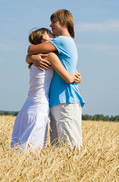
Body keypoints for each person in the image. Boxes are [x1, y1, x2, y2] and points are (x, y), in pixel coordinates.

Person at [11, 28, 81, 150]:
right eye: (50, 34)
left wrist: (31, 58)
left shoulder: (35, 59)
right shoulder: (50, 56)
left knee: (21, 148)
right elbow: (68, 78)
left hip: (27, 107)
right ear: (45, 39)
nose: (54, 35)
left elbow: (28, 57)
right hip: (39, 108)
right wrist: (75, 76)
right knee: (33, 150)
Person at [27, 9, 85, 150]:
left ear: (64, 22)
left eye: (54, 22)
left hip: (66, 99)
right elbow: (32, 55)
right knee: (59, 147)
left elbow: (31, 48)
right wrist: (32, 58)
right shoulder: (60, 45)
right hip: (58, 101)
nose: (51, 25)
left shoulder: (62, 41)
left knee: (70, 146)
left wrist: (32, 55)